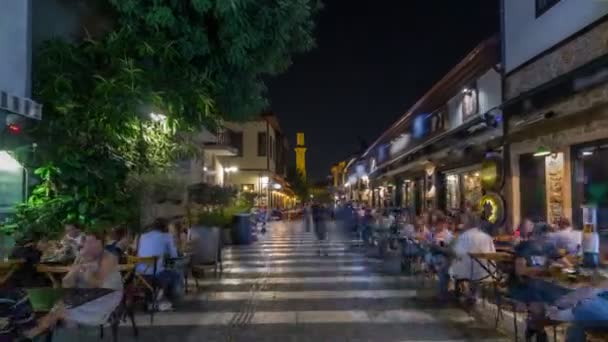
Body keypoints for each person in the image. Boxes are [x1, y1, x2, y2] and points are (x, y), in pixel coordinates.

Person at [507, 219, 571, 341]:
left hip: (542, 284)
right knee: (538, 300)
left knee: (565, 298)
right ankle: (539, 330)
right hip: (522, 284)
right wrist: (542, 270)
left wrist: (567, 268)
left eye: (549, 238)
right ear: (536, 236)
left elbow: (566, 264)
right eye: (545, 238)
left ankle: (534, 326)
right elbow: (520, 270)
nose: (547, 241)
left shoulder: (549, 246)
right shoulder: (525, 247)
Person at [450, 212, 496, 303]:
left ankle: (463, 293)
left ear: (467, 224)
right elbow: (493, 253)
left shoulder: (464, 237)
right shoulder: (487, 237)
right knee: (473, 266)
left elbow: (457, 253)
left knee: (452, 267)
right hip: (488, 272)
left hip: (469, 272)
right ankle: (474, 293)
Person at [137, 218, 180, 311]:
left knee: (163, 271)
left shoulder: (142, 236)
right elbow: (174, 255)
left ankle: (152, 300)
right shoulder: (167, 237)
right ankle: (164, 300)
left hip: (140, 274)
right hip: (156, 274)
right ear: (165, 228)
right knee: (175, 274)